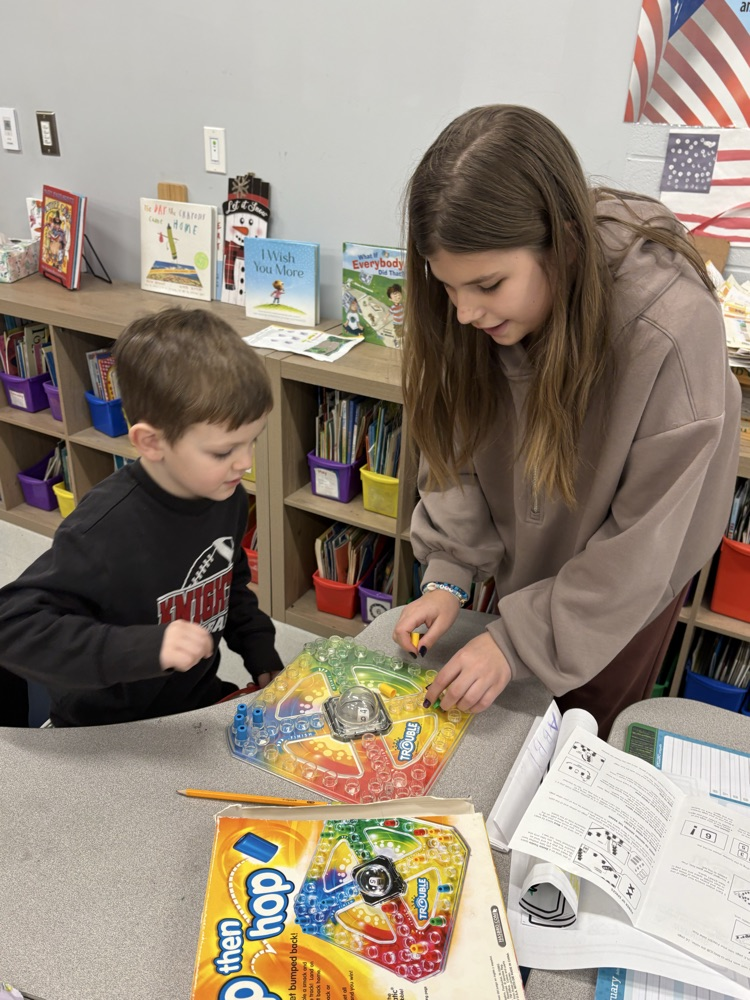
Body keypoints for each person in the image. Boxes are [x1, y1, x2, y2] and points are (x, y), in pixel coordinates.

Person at [392, 105, 740, 738]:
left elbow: (644, 542)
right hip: (528, 545)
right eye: (447, 288)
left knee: (580, 734)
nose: (466, 312)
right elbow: (456, 443)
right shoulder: (474, 308)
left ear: (563, 241)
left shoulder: (671, 323)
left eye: (489, 285)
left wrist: (522, 642)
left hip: (628, 582)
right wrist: (448, 577)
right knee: (495, 722)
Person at [0, 308, 283, 727]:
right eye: (224, 451)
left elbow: (228, 585)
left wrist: (263, 657)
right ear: (151, 442)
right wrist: (146, 648)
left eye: (251, 441)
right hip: (106, 730)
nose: (245, 462)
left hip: (193, 707)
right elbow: (12, 627)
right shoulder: (103, 529)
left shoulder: (227, 496)